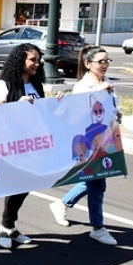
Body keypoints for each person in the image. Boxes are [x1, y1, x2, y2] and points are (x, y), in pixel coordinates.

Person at [0, 42, 61, 249]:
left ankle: (10, 226)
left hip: (33, 144)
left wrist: (55, 103)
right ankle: (5, 226)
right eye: (33, 60)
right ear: (20, 60)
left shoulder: (36, 84)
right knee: (17, 184)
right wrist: (15, 105)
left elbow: (41, 111)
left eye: (39, 60)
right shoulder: (5, 84)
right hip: (12, 144)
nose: (37, 64)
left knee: (26, 185)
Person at [49, 45, 119, 246]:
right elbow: (79, 112)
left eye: (107, 61)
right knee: (97, 183)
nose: (105, 65)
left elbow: (112, 108)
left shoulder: (107, 82)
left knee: (94, 179)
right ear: (88, 64)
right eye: (100, 61)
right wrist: (100, 92)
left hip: (106, 138)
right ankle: (98, 228)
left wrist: (117, 114)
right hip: (89, 141)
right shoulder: (83, 86)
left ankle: (62, 203)